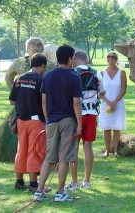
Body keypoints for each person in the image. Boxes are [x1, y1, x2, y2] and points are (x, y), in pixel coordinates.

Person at [33, 44, 83, 202]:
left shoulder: (47, 75)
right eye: (73, 57)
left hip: (52, 120)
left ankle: (39, 192)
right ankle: (60, 193)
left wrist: (48, 119)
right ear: (69, 59)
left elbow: (43, 100)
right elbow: (76, 103)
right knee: (64, 158)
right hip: (68, 121)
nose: (74, 60)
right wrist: (80, 124)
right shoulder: (74, 76)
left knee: (49, 157)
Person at [64, 51, 105, 191]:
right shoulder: (96, 73)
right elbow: (102, 92)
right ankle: (86, 181)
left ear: (74, 59)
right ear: (86, 60)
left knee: (73, 148)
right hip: (92, 114)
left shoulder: (72, 73)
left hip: (76, 115)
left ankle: (74, 182)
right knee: (88, 148)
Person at [9, 53, 47, 191]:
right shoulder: (41, 80)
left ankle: (19, 182)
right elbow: (45, 102)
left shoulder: (19, 79)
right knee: (34, 151)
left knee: (21, 150)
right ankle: (33, 185)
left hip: (21, 121)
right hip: (36, 121)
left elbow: (12, 100)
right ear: (42, 65)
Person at [99, 51, 127, 157]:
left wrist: (114, 102)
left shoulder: (122, 72)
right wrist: (108, 102)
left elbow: (124, 89)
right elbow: (100, 91)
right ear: (107, 59)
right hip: (106, 103)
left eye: (113, 57)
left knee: (116, 127)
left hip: (118, 103)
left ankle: (115, 150)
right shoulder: (102, 73)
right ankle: (107, 150)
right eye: (109, 57)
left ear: (116, 59)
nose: (111, 58)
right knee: (106, 127)